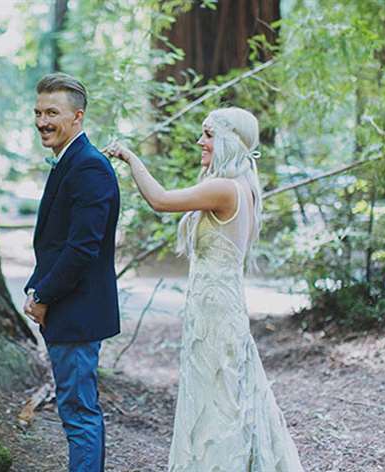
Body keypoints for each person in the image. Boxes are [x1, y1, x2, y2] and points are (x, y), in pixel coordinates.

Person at [104, 107, 304, 471]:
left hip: (215, 310)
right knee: (227, 392)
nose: (201, 141)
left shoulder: (224, 188)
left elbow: (161, 200)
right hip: (219, 305)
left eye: (209, 134)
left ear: (229, 140)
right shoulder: (242, 186)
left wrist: (129, 157)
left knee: (217, 398)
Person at [23, 73, 120, 472]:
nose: (43, 121)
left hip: (76, 311)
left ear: (77, 116)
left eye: (53, 113)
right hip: (68, 307)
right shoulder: (70, 161)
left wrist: (44, 295)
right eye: (38, 112)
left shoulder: (89, 168)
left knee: (79, 412)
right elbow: (57, 240)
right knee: (74, 409)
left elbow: (82, 248)